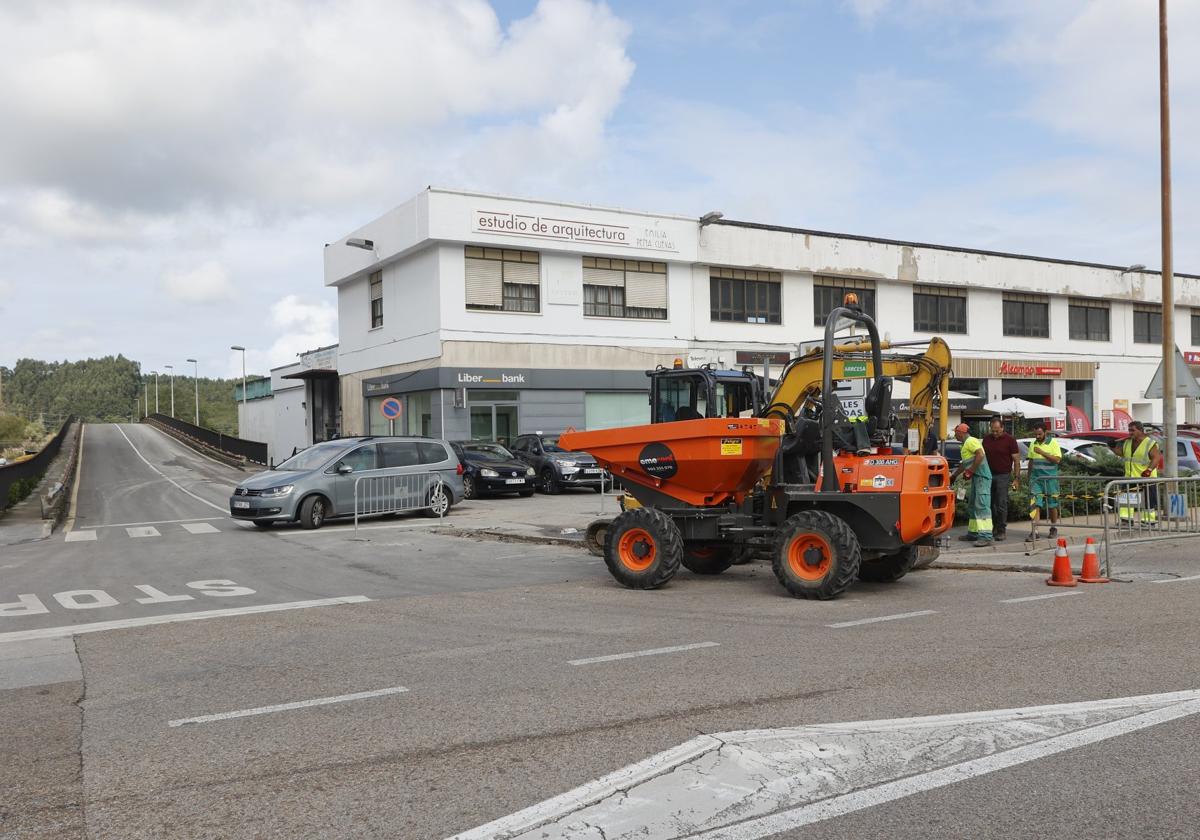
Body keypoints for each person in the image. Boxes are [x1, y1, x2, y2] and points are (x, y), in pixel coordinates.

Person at [950, 423, 992, 546]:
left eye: (955, 432)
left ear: (961, 432)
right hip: (977, 478)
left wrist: (971, 471)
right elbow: (964, 464)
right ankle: (973, 533)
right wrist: (954, 476)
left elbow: (980, 454)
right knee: (973, 505)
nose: (954, 435)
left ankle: (986, 536)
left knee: (982, 506)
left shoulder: (971, 441)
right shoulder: (965, 445)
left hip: (982, 477)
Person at [981, 417, 1020, 542]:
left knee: (1001, 503)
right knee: (990, 503)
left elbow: (1016, 460)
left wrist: (1017, 478)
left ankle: (1001, 530)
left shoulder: (1010, 440)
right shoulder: (986, 439)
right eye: (993, 430)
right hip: (988, 475)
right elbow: (981, 456)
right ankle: (992, 528)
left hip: (1003, 475)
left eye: (997, 430)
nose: (995, 433)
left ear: (1002, 428)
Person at [1121, 421, 1163, 523]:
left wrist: (1149, 470)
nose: (1130, 432)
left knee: (1148, 501)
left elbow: (1156, 458)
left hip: (1146, 478)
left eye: (1133, 430)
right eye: (1129, 430)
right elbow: (1122, 454)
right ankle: (1126, 519)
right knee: (1127, 500)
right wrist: (1112, 447)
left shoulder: (1149, 443)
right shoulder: (1127, 442)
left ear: (1140, 430)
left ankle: (1148, 521)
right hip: (1130, 477)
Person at [1026, 424, 1063, 540]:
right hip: (1036, 479)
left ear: (1046, 432)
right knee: (1035, 504)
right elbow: (1031, 461)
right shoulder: (1033, 443)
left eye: (1040, 434)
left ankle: (1053, 527)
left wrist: (1042, 452)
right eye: (1035, 434)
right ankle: (1035, 531)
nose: (1037, 436)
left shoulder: (1053, 443)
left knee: (1052, 505)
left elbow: (1057, 460)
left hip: (1050, 479)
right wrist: (1029, 477)